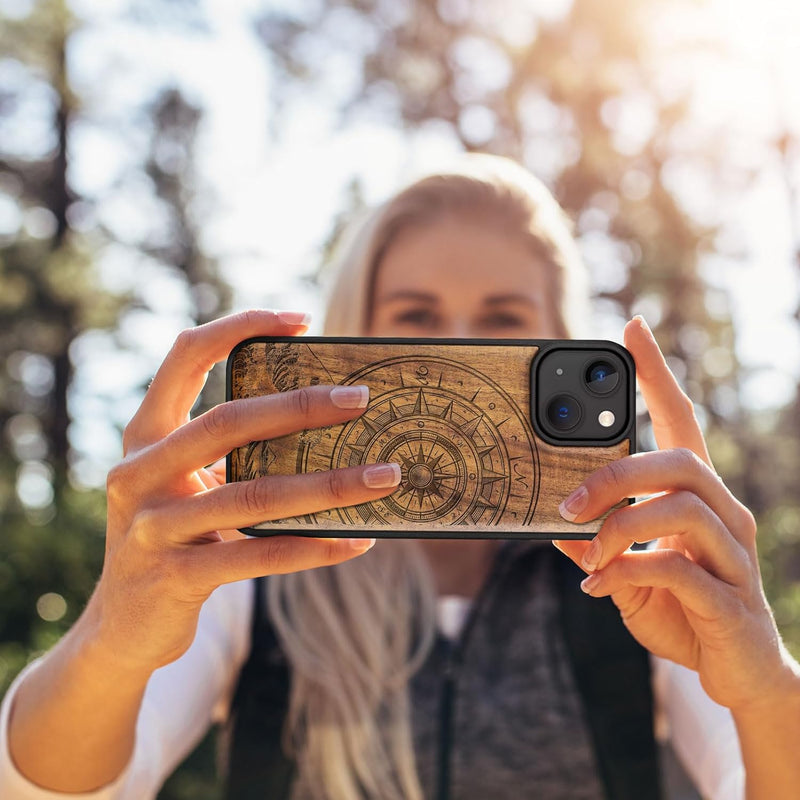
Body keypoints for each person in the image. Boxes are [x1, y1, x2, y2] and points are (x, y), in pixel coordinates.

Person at [1, 154, 799, 800]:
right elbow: (54, 789)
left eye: (502, 322)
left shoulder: (637, 575)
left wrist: (765, 690)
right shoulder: (252, 567)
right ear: (355, 333)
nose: (455, 351)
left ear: (557, 340)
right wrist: (114, 635)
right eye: (415, 317)